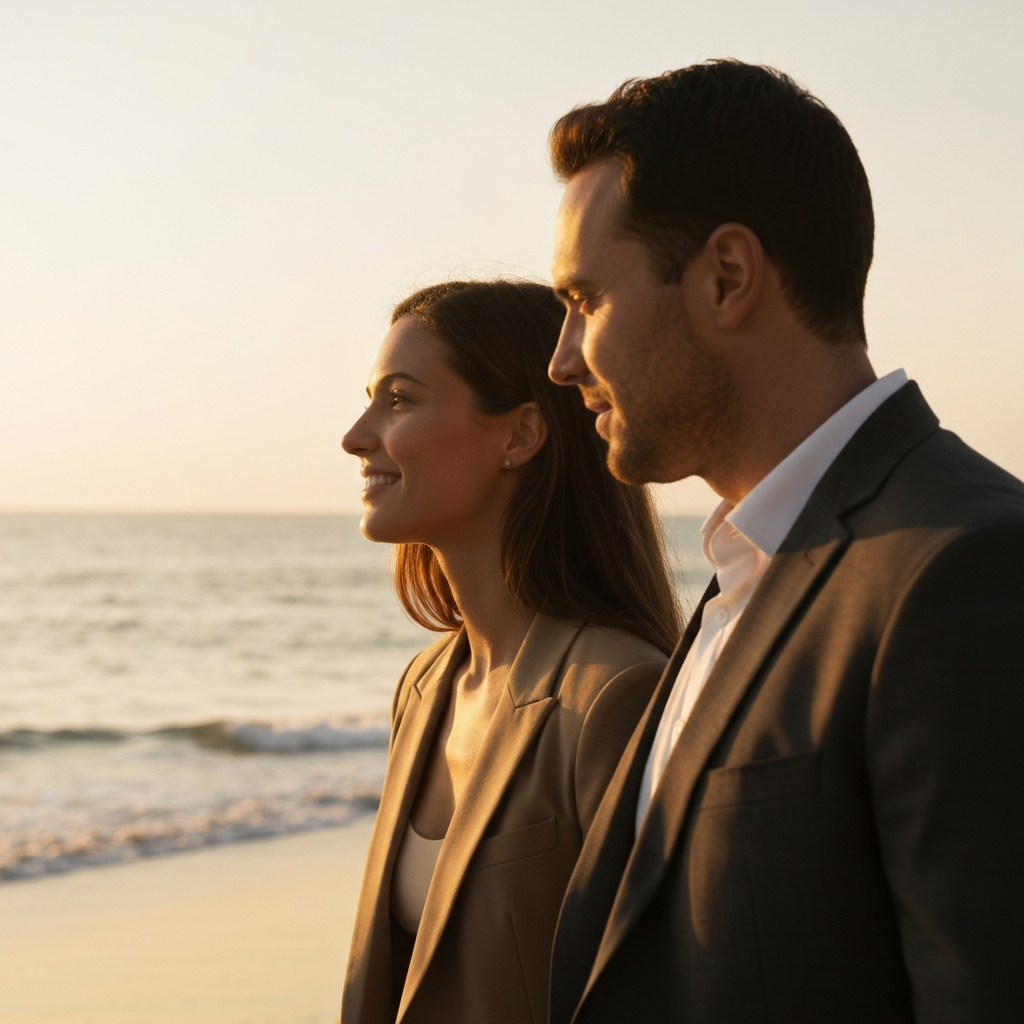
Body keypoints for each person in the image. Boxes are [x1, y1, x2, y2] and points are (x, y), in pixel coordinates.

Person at [545, 61, 1024, 1023]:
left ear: (727, 277)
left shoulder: (968, 569)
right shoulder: (745, 573)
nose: (562, 361)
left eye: (585, 301)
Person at [338, 280, 679, 1024]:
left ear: (520, 434)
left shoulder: (617, 696)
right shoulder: (426, 687)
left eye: (398, 400)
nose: (357, 435)